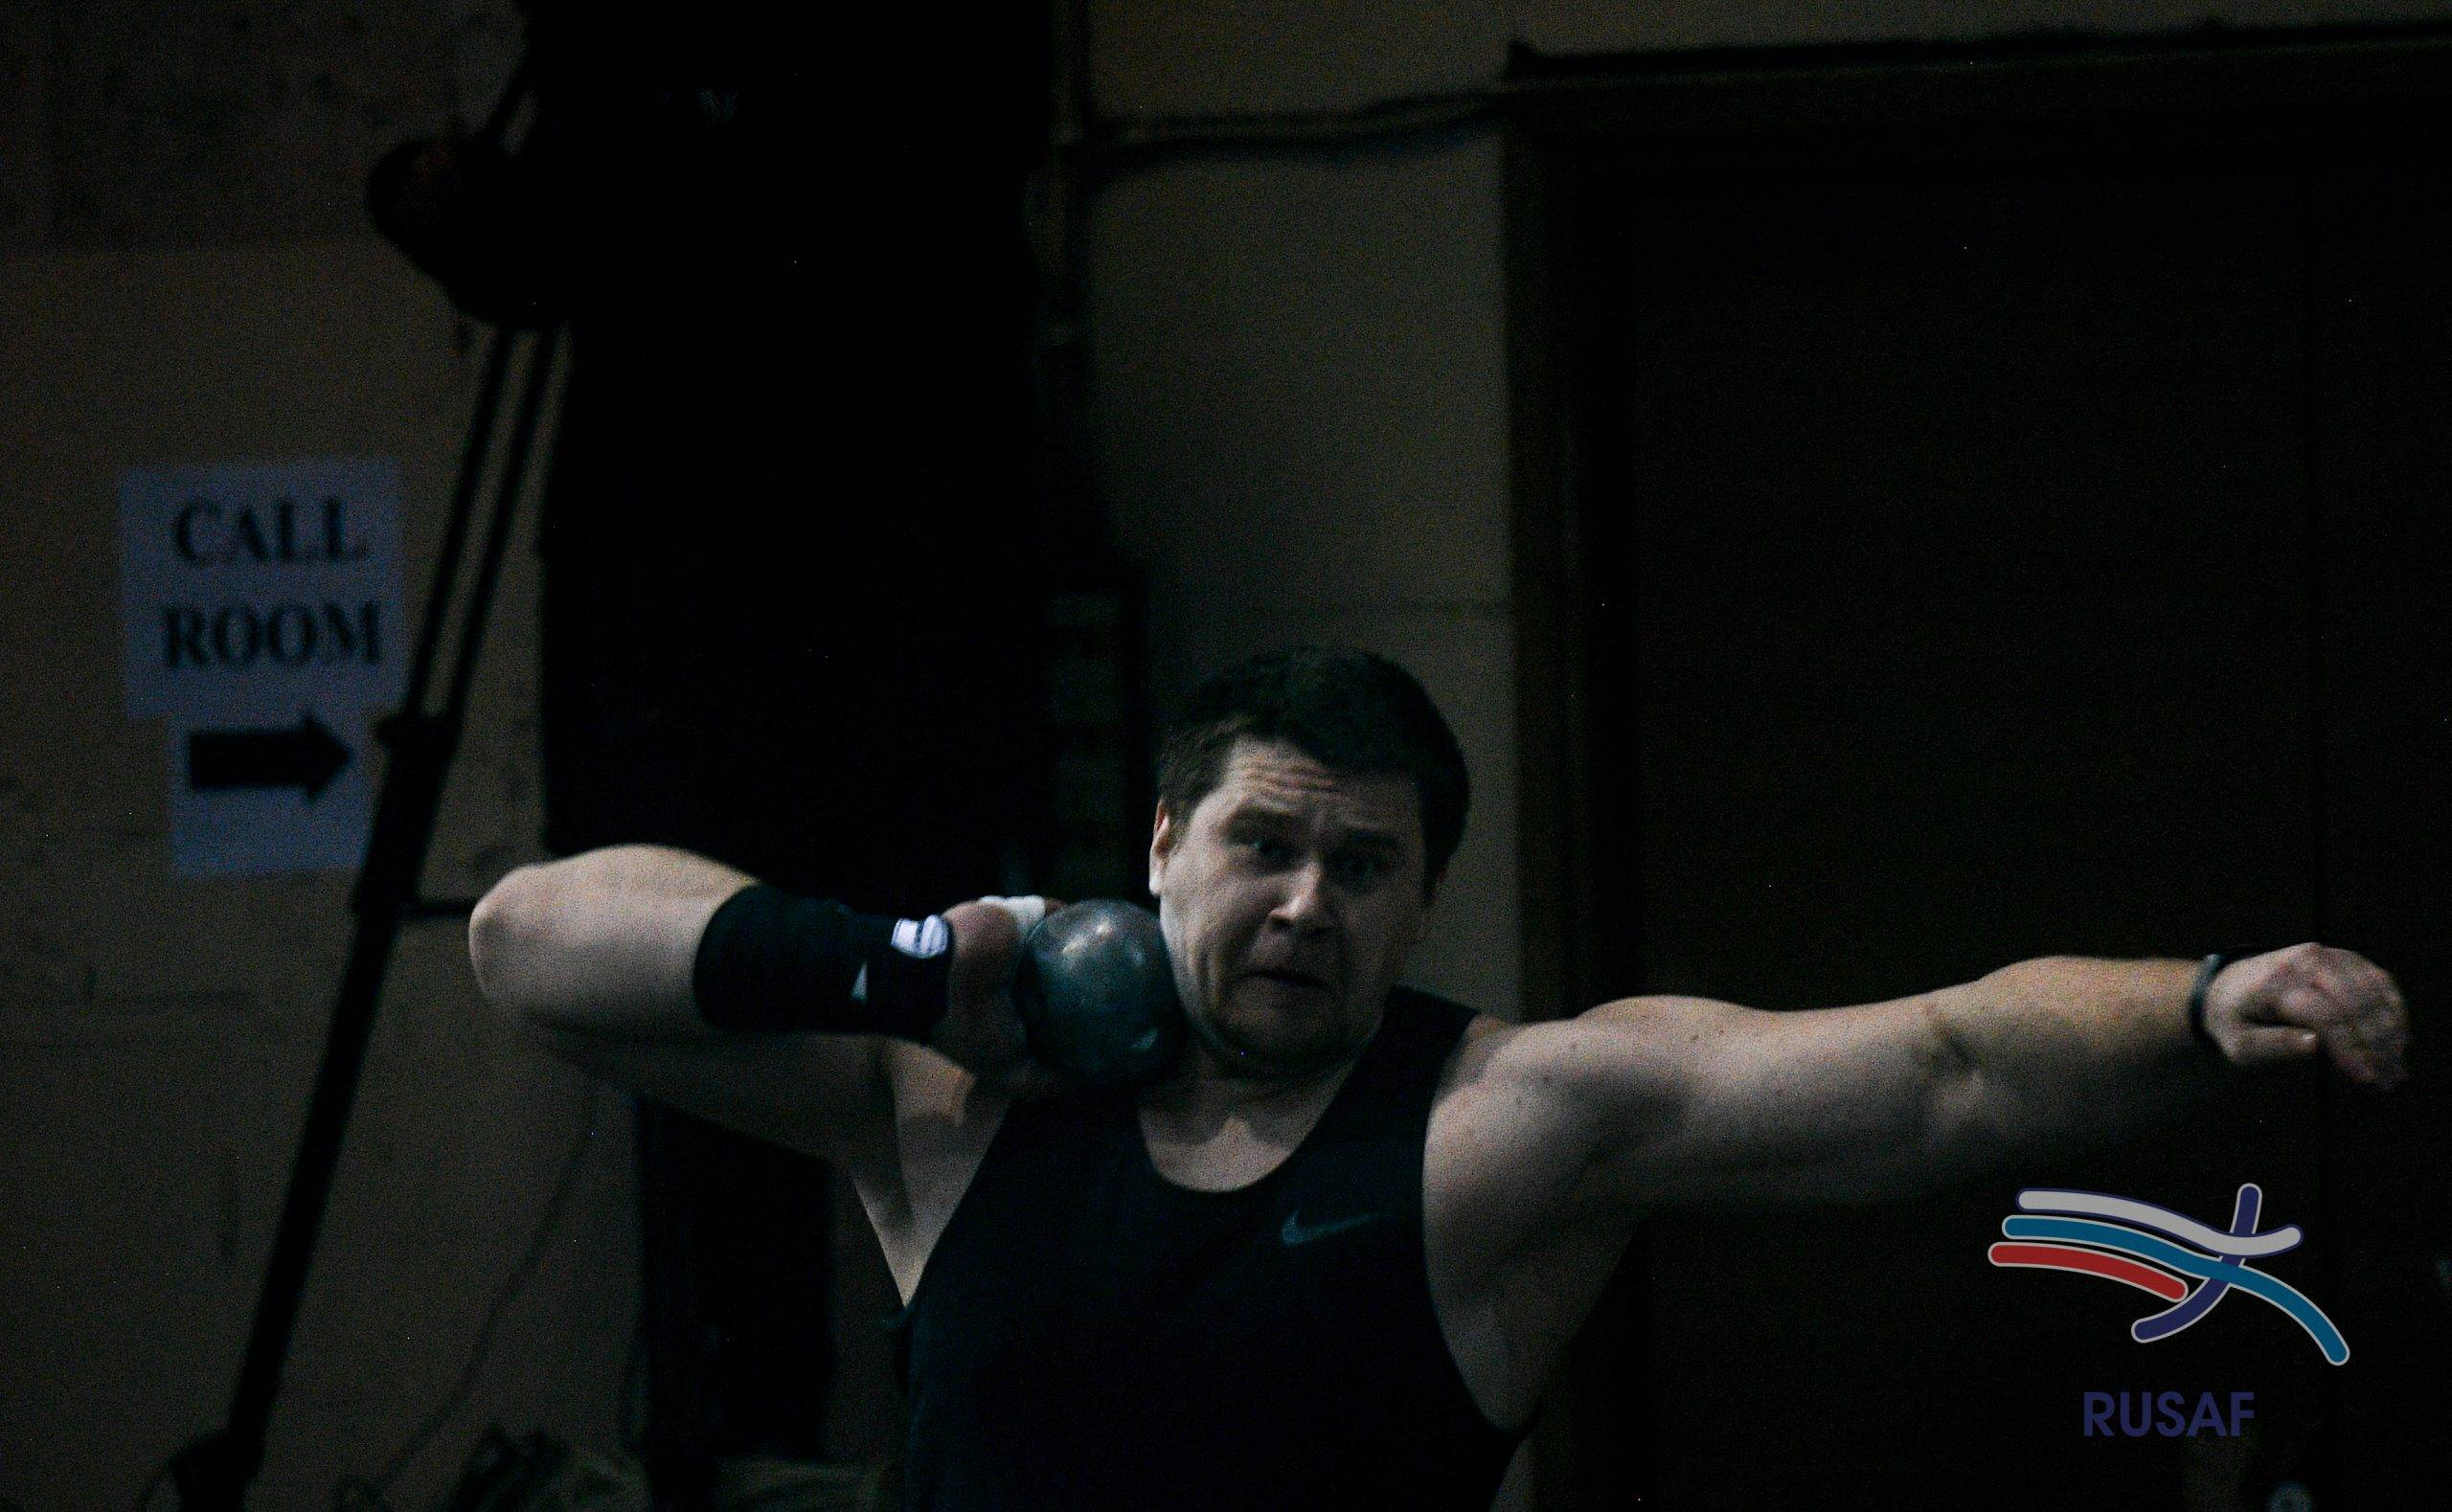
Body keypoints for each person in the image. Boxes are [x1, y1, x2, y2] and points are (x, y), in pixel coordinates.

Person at [466, 644, 2413, 1511]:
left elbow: (1941, 1072)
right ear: (1161, 848)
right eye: (1263, 844)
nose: (1305, 903)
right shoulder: (954, 1101)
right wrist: (892, 965)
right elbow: (531, 944)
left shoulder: (1503, 1126)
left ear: (1421, 900)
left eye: (1363, 864)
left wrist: (2199, 997)